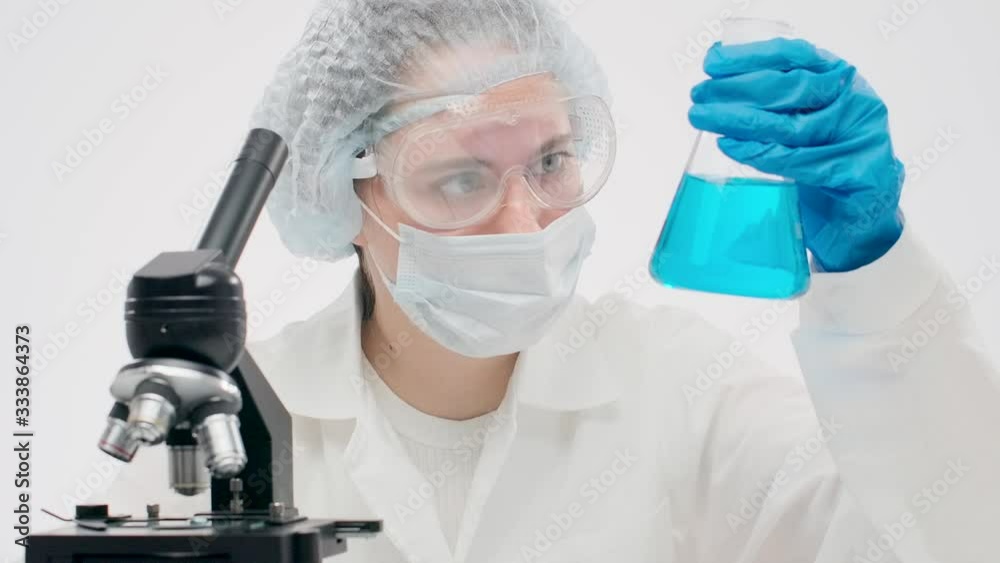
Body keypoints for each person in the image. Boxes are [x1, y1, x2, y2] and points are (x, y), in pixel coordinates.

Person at [246, 1, 1000, 561]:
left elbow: (953, 536)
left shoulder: (677, 386)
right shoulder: (234, 425)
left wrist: (875, 275)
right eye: (460, 179)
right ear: (339, 192)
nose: (525, 223)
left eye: (550, 162)